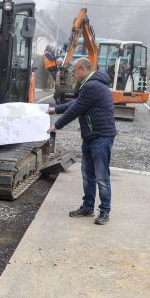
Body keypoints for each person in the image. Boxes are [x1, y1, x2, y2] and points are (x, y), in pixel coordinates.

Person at [47, 57, 116, 225]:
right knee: (87, 175)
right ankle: (88, 207)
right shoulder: (90, 85)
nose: (73, 74)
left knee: (101, 176)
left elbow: (77, 109)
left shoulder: (92, 86)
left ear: (83, 70)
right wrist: (55, 109)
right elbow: (78, 103)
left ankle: (105, 211)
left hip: (100, 136)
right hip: (91, 136)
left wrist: (57, 125)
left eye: (75, 70)